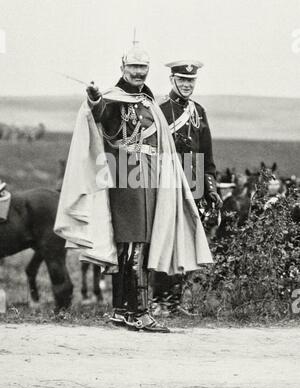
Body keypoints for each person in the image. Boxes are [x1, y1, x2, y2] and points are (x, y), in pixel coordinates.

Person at [55, 46, 214, 333]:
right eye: (134, 67)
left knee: (130, 245)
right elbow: (101, 112)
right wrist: (93, 98)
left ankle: (121, 310)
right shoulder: (113, 98)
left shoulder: (147, 100)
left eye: (143, 67)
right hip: (126, 171)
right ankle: (138, 312)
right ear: (123, 68)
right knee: (135, 243)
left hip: (149, 173)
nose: (139, 72)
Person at [152, 60, 222, 316]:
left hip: (192, 184)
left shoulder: (198, 111)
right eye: (182, 80)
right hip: (166, 183)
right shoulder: (159, 109)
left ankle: (175, 301)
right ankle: (158, 301)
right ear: (172, 80)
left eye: (190, 81)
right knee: (164, 241)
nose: (186, 85)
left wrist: (211, 187)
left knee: (186, 243)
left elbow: (207, 154)